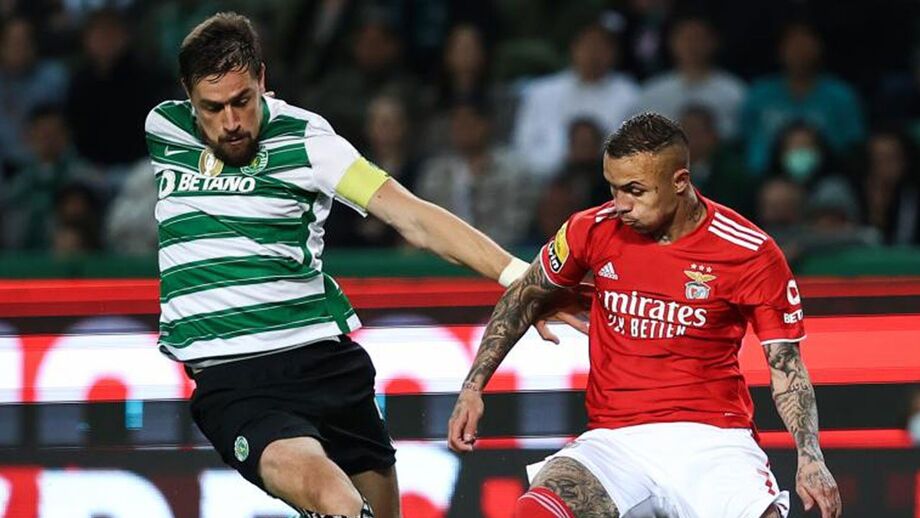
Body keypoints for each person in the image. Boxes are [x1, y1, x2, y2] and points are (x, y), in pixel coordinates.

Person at [145, 12, 583, 518]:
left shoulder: (309, 142)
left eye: (242, 100)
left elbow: (412, 217)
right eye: (213, 107)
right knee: (337, 502)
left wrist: (525, 279)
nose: (231, 122)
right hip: (234, 382)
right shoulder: (164, 127)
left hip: (323, 362)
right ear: (188, 96)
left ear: (262, 79)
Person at [448, 113, 842, 518]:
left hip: (714, 442)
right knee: (535, 513)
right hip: (614, 443)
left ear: (679, 181)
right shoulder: (591, 229)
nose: (621, 205)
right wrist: (473, 387)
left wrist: (810, 457)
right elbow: (524, 296)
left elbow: (786, 367)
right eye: (614, 188)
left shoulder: (749, 252)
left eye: (634, 190)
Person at [512, 21, 640, 180]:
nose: (594, 54)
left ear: (614, 53)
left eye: (602, 47)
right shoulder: (541, 92)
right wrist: (563, 159)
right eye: (588, 45)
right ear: (574, 48)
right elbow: (523, 148)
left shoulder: (629, 95)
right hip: (546, 180)